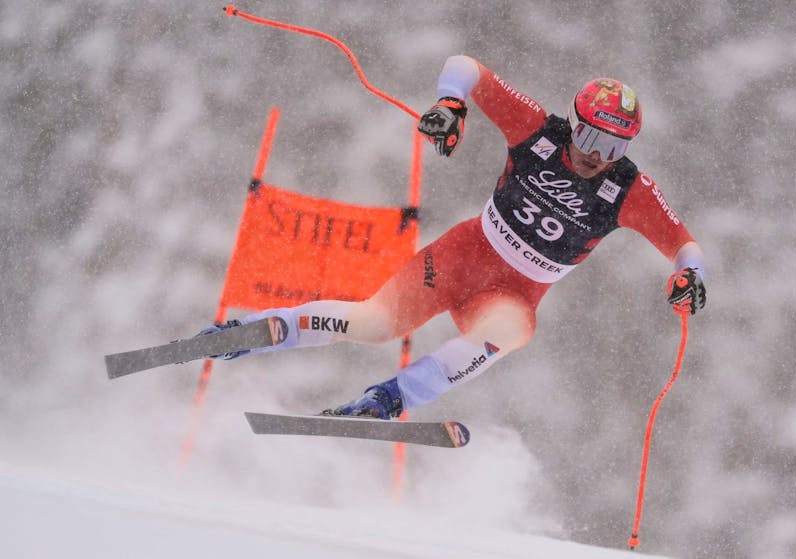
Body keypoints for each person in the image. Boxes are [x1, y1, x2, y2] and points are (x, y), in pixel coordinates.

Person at [203, 55, 707, 419]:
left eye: (615, 147)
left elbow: (683, 244)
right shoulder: (538, 131)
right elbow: (466, 66)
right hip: (460, 258)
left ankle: (390, 398)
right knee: (373, 324)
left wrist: (690, 276)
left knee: (509, 333)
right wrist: (451, 104)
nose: (598, 156)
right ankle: (246, 334)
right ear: (574, 123)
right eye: (592, 137)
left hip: (512, 294)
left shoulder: (629, 189)